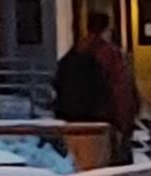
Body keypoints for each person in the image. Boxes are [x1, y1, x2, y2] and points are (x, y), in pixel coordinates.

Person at [50, 4, 135, 161]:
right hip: (102, 122)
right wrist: (125, 124)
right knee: (104, 171)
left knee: (80, 167)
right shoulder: (109, 54)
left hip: (73, 121)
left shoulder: (75, 51)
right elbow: (120, 90)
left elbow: (58, 84)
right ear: (106, 29)